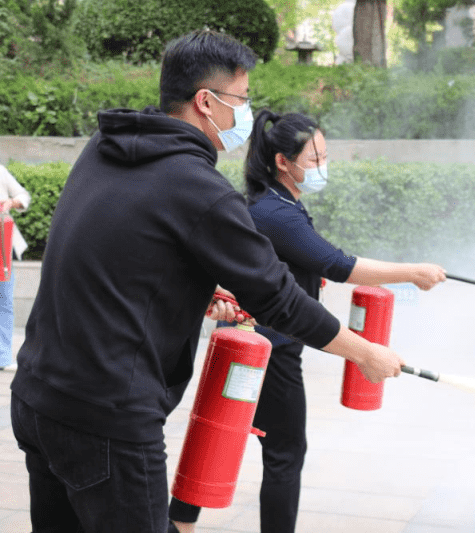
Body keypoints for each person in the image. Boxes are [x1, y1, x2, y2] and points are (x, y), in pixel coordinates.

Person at [9, 30, 405, 533]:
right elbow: (278, 298)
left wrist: (191, 292)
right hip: (107, 417)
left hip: (38, 397)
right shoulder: (199, 187)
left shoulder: (106, 147)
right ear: (205, 102)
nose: (247, 112)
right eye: (241, 98)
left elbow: (114, 253)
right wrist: (364, 352)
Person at [168, 110, 446, 533]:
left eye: (324, 156)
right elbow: (337, 263)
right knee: (284, 452)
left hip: (247, 345)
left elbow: (305, 264)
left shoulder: (272, 204)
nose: (322, 166)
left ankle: (179, 525)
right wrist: (410, 271)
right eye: (314, 159)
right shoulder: (277, 213)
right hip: (271, 350)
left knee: (218, 436)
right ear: (283, 161)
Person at [0, 163, 30, 372]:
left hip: (2, 243)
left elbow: (23, 196)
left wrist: (11, 202)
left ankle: (2, 356)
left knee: (4, 301)